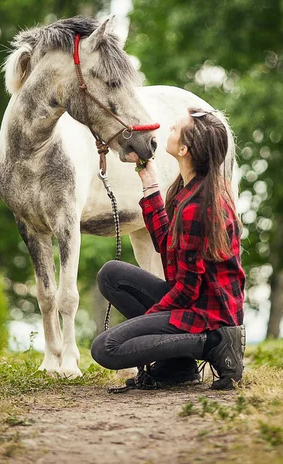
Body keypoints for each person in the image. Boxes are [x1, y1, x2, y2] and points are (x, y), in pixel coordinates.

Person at [91, 107, 246, 390]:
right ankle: (178, 366)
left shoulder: (200, 206)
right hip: (194, 301)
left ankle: (215, 345)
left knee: (106, 348)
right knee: (111, 274)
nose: (168, 130)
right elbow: (166, 245)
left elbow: (186, 291)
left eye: (175, 129)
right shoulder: (188, 189)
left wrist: (150, 318)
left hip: (207, 316)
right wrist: (150, 186)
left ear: (185, 149)